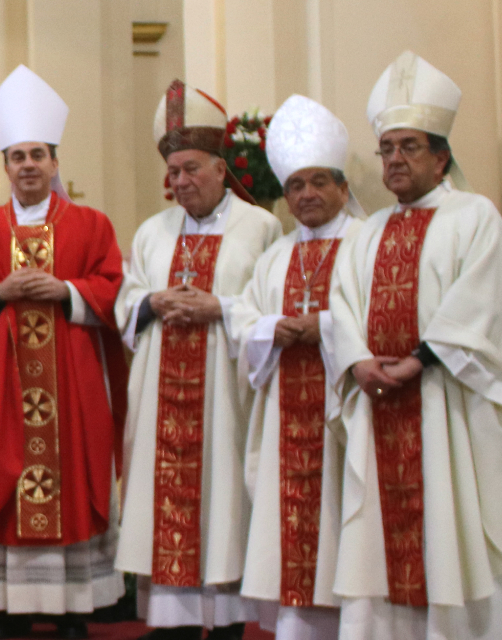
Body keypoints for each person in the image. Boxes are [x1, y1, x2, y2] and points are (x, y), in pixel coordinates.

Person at [327, 51, 502, 640]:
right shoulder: (369, 232)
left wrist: (417, 362)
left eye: (409, 146)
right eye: (387, 148)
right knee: (381, 545)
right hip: (380, 404)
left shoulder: (474, 216)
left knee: (453, 532)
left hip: (450, 407)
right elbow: (341, 304)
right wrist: (358, 361)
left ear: (440, 155)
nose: (395, 160)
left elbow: (479, 304)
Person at [0, 65, 128, 640]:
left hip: (73, 381)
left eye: (38, 155)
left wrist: (68, 291)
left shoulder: (91, 224)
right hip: (3, 384)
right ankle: (8, 606)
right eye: (17, 156)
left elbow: (114, 287)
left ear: (55, 163)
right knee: (4, 475)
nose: (28, 165)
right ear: (5, 167)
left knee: (73, 478)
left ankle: (73, 606)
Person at [113, 80, 281, 640]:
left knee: (224, 499)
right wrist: (151, 302)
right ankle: (174, 621)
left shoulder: (259, 228)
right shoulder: (152, 232)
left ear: (220, 166)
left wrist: (221, 308)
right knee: (166, 506)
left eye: (191, 169)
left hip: (225, 394)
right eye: (173, 173)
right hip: (162, 393)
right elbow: (125, 302)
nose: (180, 182)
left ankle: (227, 617)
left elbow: (269, 307)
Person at [229, 94, 360, 640]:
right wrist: (271, 330)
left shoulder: (365, 244)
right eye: (296, 187)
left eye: (318, 183)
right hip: (286, 410)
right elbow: (245, 318)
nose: (307, 195)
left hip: (346, 416)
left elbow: (382, 317)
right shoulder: (276, 256)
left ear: (343, 188)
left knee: (341, 517)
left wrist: (323, 327)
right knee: (294, 527)